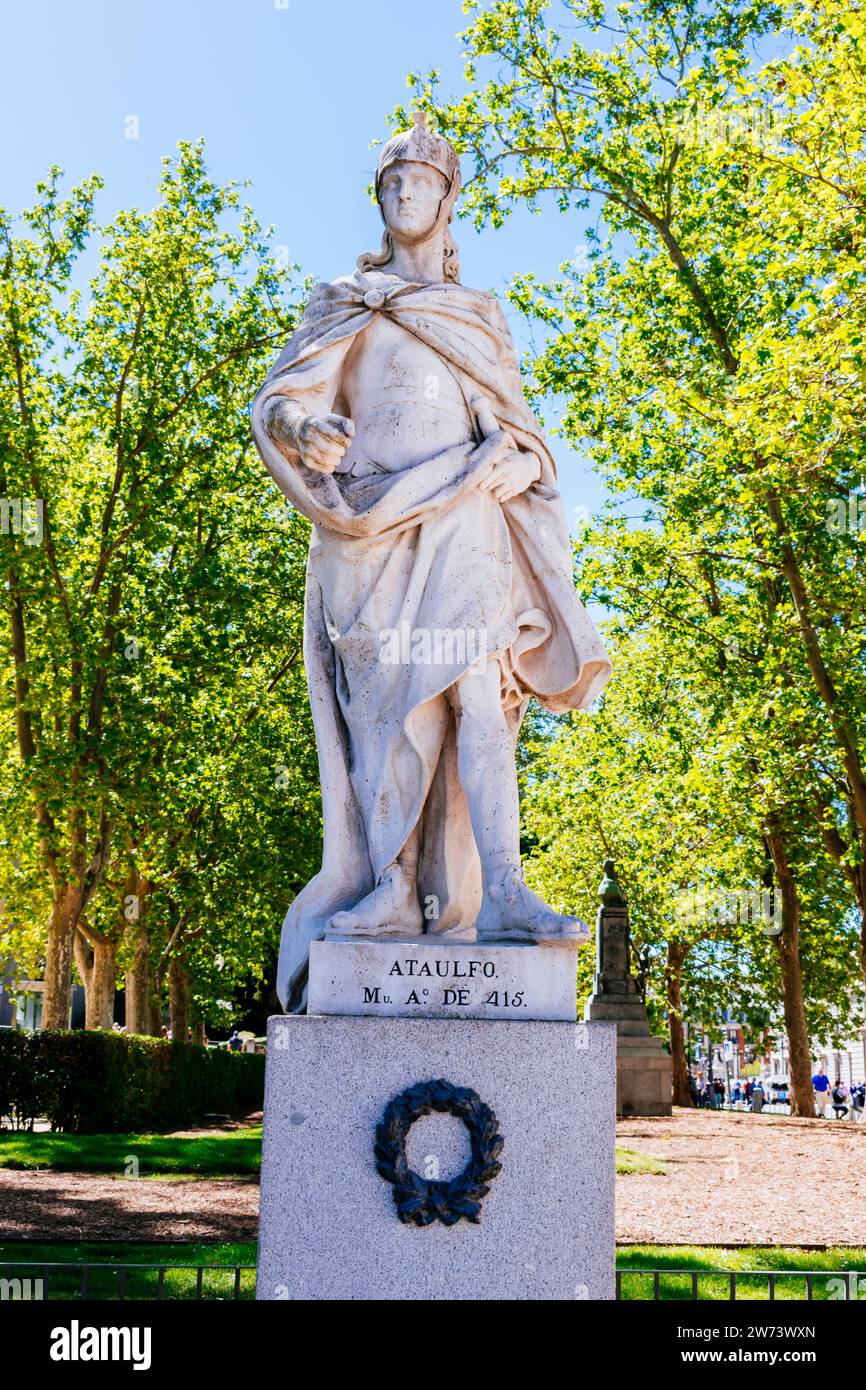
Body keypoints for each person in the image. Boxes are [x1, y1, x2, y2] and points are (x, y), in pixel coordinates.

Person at [252, 113, 612, 1012]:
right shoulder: (341, 299)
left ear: (449, 199)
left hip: (464, 515)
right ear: (378, 201)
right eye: (390, 183)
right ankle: (387, 889)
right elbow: (280, 405)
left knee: (478, 694)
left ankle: (506, 888)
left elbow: (526, 440)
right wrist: (306, 430)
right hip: (369, 529)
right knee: (385, 720)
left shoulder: (477, 314)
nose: (404, 191)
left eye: (420, 180)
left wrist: (517, 464)